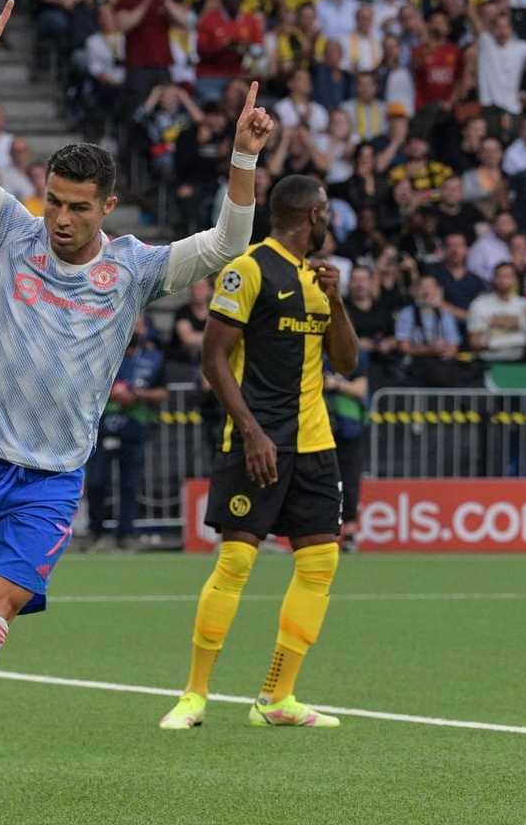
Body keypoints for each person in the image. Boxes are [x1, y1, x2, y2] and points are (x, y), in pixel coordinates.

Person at [0, 1, 270, 824]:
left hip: (49, 482)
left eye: (76, 206)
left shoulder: (134, 270)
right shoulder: (11, 232)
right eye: (54, 201)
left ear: (107, 206)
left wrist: (241, 154)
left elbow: (228, 243)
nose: (60, 218)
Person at [159, 173, 358, 731]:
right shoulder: (247, 268)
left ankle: (277, 696)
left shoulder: (319, 279)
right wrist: (250, 431)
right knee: (237, 561)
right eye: (327, 216)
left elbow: (346, 362)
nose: (329, 224)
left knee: (320, 564)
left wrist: (337, 302)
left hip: (315, 445)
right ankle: (194, 694)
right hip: (258, 444)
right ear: (314, 215)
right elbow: (213, 359)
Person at [84, 314, 166, 551]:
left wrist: (139, 396)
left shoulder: (153, 359)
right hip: (102, 426)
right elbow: (86, 387)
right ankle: (95, 531)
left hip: (135, 425)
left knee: (129, 483)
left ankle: (126, 534)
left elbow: (164, 392)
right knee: (98, 481)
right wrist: (112, 394)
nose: (133, 330)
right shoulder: (102, 357)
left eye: (138, 325)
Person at [467, 262, 526, 361]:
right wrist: (495, 344)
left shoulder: (524, 304)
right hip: (490, 356)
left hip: (520, 357)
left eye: (508, 276)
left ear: (515, 280)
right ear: (493, 279)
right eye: (499, 276)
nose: (503, 280)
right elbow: (473, 342)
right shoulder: (479, 304)